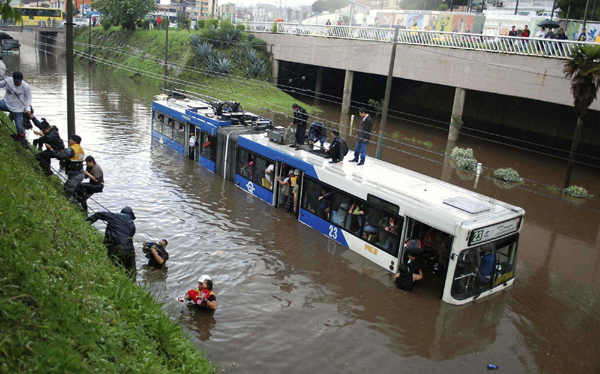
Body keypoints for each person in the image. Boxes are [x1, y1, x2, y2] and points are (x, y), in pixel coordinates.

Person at [87, 207, 137, 280]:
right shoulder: (133, 226)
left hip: (115, 248)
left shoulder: (115, 216)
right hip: (130, 251)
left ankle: (114, 281)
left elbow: (99, 214)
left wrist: (87, 223)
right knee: (131, 272)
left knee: (114, 267)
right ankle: (132, 287)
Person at [47, 134, 85, 200]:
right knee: (69, 188)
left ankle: (72, 204)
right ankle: (75, 203)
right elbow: (71, 157)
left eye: (71, 139)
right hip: (78, 173)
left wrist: (51, 150)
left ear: (74, 141)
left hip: (75, 174)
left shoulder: (72, 149)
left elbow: (60, 156)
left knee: (69, 188)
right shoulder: (79, 148)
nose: (69, 140)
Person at [0, 71, 32, 139]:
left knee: (19, 128)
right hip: (5, 103)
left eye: (19, 82)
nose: (17, 83)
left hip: (18, 110)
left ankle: (24, 145)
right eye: (16, 81)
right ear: (13, 79)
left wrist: (27, 109)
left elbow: (28, 98)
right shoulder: (8, 80)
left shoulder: (26, 86)